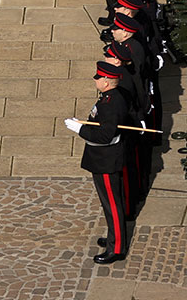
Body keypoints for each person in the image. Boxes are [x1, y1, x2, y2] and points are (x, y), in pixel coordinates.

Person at [64, 61, 130, 264]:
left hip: (106, 160)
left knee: (112, 204)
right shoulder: (109, 97)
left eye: (99, 77)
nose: (96, 79)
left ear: (108, 82)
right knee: (108, 203)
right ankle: (113, 238)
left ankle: (117, 247)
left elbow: (105, 136)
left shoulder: (111, 104)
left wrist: (80, 130)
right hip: (103, 159)